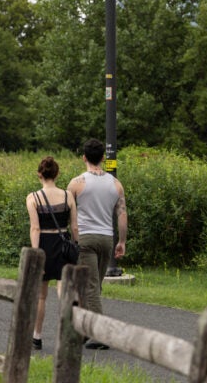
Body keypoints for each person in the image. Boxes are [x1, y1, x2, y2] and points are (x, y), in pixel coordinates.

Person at [67, 138, 127, 350]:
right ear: (103, 158)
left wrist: (73, 238)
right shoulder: (115, 184)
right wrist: (121, 241)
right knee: (95, 285)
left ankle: (100, 334)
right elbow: (121, 214)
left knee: (90, 286)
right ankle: (85, 330)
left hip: (85, 238)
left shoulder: (76, 183)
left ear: (84, 157)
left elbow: (70, 215)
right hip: (106, 239)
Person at [26, 156, 78, 351]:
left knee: (41, 296)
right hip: (63, 243)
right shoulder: (68, 196)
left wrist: (36, 253)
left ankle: (37, 336)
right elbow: (74, 226)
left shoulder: (33, 198)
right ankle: (67, 334)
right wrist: (76, 245)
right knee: (64, 291)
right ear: (57, 174)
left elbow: (35, 228)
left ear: (39, 174)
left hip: (44, 245)